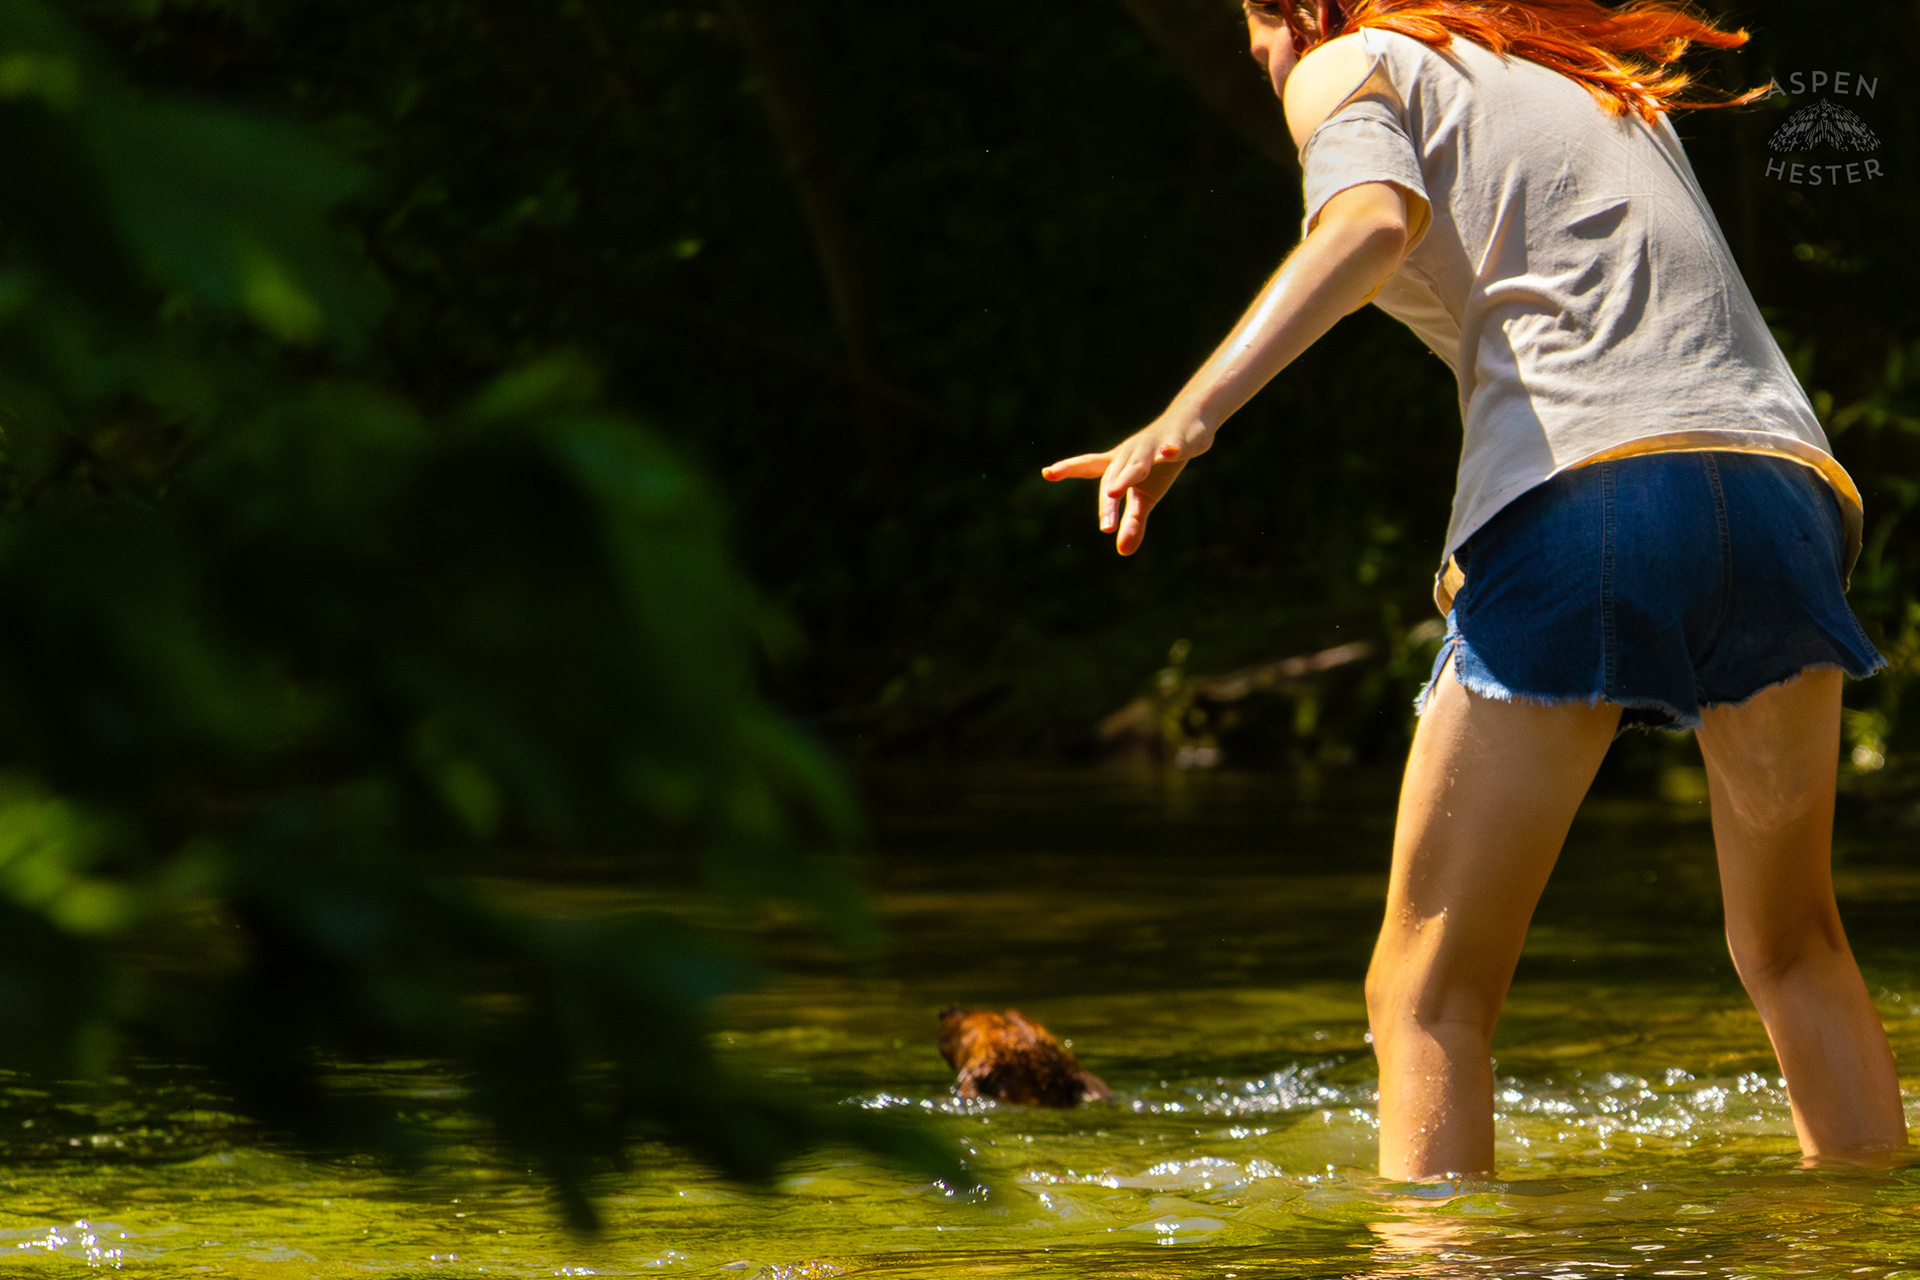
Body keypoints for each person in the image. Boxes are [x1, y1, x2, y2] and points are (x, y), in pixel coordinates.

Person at [1043, 0, 1910, 1180]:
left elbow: (1368, 222)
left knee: (1425, 990)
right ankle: (1861, 1241)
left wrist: (1183, 420)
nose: (1265, 69)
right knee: (1796, 942)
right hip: (1785, 488)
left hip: (1588, 492)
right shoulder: (1585, 73)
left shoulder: (1350, 59)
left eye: (1261, 42)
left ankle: (1442, 1264)